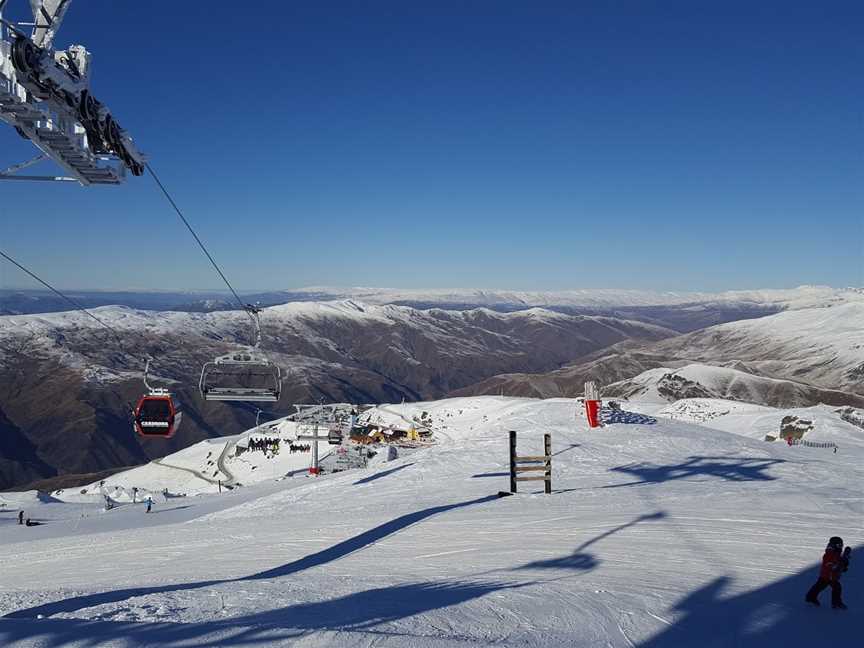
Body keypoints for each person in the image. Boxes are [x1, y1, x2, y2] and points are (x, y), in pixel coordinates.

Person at [805, 536, 850, 609]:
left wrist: (844, 564)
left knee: (820, 586)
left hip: (830, 576)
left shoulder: (836, 554)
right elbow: (831, 565)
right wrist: (839, 564)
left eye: (841, 545)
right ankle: (836, 603)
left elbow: (839, 564)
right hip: (828, 576)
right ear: (834, 545)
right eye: (839, 545)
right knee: (836, 587)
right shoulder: (829, 554)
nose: (840, 547)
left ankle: (810, 597)